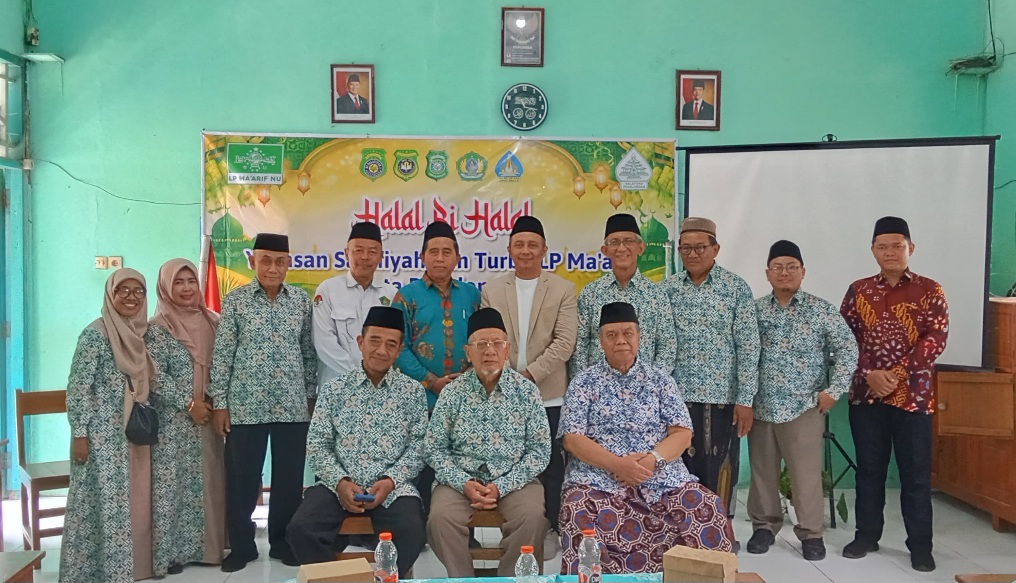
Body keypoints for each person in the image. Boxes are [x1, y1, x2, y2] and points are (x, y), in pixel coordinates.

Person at [559, 302, 734, 574]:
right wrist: (618, 465)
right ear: (601, 341)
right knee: (577, 509)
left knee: (705, 504)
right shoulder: (583, 383)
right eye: (611, 335)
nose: (620, 341)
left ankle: (695, 577)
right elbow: (572, 438)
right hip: (599, 479)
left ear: (639, 337)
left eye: (628, 333)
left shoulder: (660, 380)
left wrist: (651, 461)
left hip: (660, 477)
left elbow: (682, 433)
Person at [839, 216, 948, 573]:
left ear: (910, 248)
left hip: (913, 398)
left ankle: (920, 547)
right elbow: (845, 338)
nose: (890, 252)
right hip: (866, 396)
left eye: (897, 246)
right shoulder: (858, 290)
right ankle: (866, 536)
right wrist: (869, 374)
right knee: (869, 471)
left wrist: (895, 376)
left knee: (915, 476)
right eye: (882, 246)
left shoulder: (930, 289)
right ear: (873, 250)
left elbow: (935, 339)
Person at [287, 306, 428, 577]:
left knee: (413, 532)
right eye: (374, 341)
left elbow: (419, 447)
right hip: (337, 485)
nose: (381, 351)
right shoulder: (334, 390)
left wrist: (390, 481)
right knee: (300, 530)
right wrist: (340, 482)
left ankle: (384, 580)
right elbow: (317, 444)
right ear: (361, 342)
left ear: (399, 350)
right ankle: (337, 580)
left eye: (391, 344)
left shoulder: (412, 393)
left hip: (393, 488)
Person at [208, 233, 317, 572]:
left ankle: (282, 542)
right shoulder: (236, 301)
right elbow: (222, 355)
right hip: (244, 406)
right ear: (253, 261)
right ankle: (242, 547)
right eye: (266, 260)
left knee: (289, 480)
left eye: (280, 261)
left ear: (289, 264)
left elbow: (308, 353)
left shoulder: (300, 301)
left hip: (292, 406)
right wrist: (220, 403)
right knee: (242, 480)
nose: (272, 268)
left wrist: (309, 397)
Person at [746, 241, 858, 561]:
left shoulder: (821, 310)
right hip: (761, 405)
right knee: (763, 472)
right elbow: (742, 353)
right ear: (768, 273)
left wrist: (834, 390)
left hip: (805, 405)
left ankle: (811, 534)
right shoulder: (753, 311)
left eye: (791, 267)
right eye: (778, 267)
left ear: (803, 272)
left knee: (806, 475)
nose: (785, 273)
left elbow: (848, 349)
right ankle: (764, 527)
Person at [425, 308, 551, 578]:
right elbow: (434, 448)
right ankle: (463, 579)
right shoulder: (452, 392)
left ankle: (510, 579)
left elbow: (540, 451)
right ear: (468, 352)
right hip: (460, 481)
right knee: (440, 519)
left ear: (507, 350)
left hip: (515, 480)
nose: (490, 350)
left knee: (532, 517)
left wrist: (502, 485)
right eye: (481, 344)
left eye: (497, 343)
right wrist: (463, 482)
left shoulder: (527, 391)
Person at [480, 215, 578, 549]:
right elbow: (489, 339)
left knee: (550, 464)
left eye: (532, 245)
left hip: (548, 394)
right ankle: (512, 529)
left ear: (544, 250)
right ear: (509, 249)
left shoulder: (563, 289)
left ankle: (550, 528)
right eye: (519, 244)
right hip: (502, 394)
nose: (525, 251)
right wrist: (508, 378)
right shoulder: (493, 290)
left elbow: (564, 343)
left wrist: (528, 375)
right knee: (507, 461)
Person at [60, 268, 159, 583]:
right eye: (123, 290)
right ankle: (93, 571)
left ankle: (132, 568)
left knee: (132, 502)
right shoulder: (96, 334)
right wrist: (80, 434)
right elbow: (78, 388)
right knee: (101, 503)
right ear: (110, 294)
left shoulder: (141, 333)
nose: (131, 297)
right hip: (102, 434)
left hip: (134, 430)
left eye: (138, 291)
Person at [661, 217, 760, 520]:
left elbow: (748, 346)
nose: (692, 254)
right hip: (678, 397)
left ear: (715, 249)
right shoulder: (667, 289)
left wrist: (745, 399)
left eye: (700, 247)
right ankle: (683, 529)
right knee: (680, 468)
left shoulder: (735, 288)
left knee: (722, 468)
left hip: (724, 399)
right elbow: (660, 342)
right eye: (686, 248)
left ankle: (720, 530)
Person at [393, 220, 481, 512]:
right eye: (433, 252)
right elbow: (398, 346)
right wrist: (431, 381)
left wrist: (464, 379)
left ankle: (460, 528)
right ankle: (418, 527)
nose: (440, 258)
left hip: (464, 399)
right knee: (421, 469)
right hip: (420, 399)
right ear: (422, 257)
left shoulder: (471, 294)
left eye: (446, 252)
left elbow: (482, 340)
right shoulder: (406, 297)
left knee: (462, 466)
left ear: (457, 258)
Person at [145, 259, 226, 575]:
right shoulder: (157, 328)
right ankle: (172, 553)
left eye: (191, 281)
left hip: (209, 417)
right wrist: (188, 404)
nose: (186, 288)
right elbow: (154, 374)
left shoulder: (213, 321)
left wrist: (214, 403)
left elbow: (224, 365)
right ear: (165, 287)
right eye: (178, 282)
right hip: (173, 420)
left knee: (210, 480)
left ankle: (210, 549)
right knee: (173, 484)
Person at [568, 213, 676, 379]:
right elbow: (579, 347)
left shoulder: (657, 295)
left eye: (628, 241)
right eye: (614, 242)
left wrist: (651, 385)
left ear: (641, 247)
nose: (621, 248)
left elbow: (666, 347)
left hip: (645, 388)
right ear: (605, 251)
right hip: (598, 388)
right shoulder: (590, 294)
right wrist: (587, 385)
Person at [312, 221, 397, 389]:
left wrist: (373, 378)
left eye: (372, 252)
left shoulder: (391, 294)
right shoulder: (328, 290)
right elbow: (324, 343)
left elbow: (395, 344)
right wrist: (360, 376)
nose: (365, 257)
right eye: (358, 250)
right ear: (346, 253)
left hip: (378, 388)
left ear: (381, 256)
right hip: (336, 387)